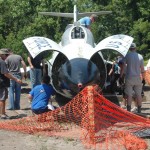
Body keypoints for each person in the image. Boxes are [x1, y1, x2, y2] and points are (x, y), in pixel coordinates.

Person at [120, 43, 145, 113]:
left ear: (129, 48)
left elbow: (123, 67)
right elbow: (142, 69)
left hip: (129, 77)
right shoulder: (140, 57)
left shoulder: (127, 56)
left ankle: (128, 111)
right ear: (135, 48)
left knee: (129, 94)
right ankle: (139, 110)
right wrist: (143, 78)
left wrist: (121, 76)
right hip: (137, 77)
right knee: (138, 94)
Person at [0, 49, 22, 119]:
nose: (7, 57)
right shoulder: (2, 62)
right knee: (2, 99)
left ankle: (3, 112)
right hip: (2, 82)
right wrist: (16, 79)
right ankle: (3, 114)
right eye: (6, 55)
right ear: (2, 54)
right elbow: (6, 73)